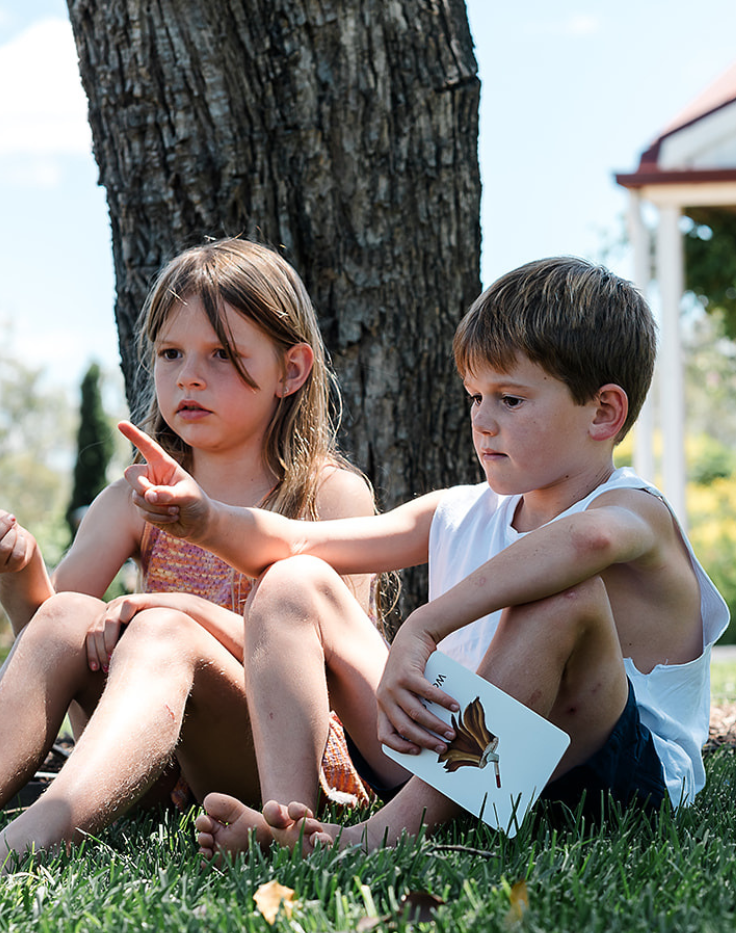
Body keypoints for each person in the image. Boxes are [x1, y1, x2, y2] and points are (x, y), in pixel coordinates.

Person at [112, 256, 729, 859]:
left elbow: (582, 545)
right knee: (296, 579)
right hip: (460, 766)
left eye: (510, 400)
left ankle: (371, 840)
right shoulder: (464, 509)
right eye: (475, 397)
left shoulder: (633, 509)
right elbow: (300, 541)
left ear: (603, 412)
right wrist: (205, 518)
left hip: (602, 783)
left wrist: (424, 625)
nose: (483, 422)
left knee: (564, 593)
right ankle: (289, 820)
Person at [0, 238, 378, 872]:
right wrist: (23, 572)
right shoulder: (133, 498)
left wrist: (173, 612)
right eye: (171, 354)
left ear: (291, 370)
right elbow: (53, 639)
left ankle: (27, 843)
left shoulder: (328, 495)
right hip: (154, 765)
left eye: (222, 356)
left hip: (275, 767)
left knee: (163, 629)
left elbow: (344, 675)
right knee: (69, 613)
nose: (189, 376)